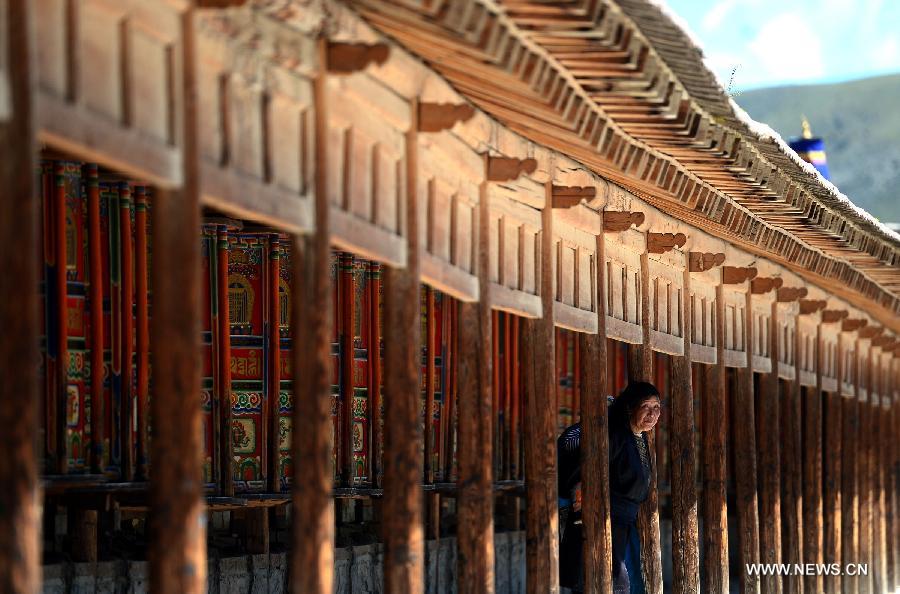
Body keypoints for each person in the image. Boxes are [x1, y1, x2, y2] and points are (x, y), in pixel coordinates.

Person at [558, 381, 663, 594]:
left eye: (657, 408)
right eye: (646, 406)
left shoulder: (640, 437)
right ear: (630, 407)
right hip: (603, 523)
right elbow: (586, 465)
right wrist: (580, 486)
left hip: (624, 526)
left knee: (623, 584)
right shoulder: (615, 435)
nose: (652, 414)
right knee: (608, 583)